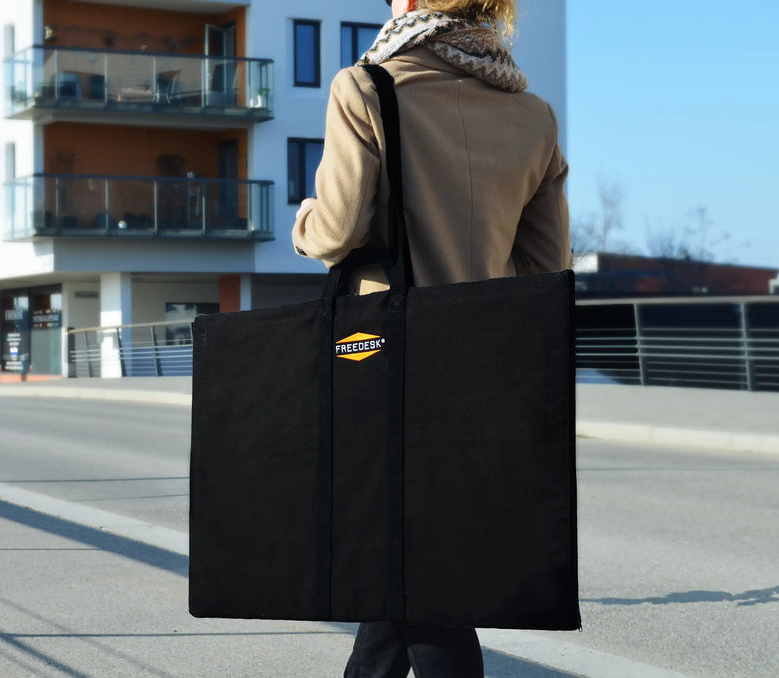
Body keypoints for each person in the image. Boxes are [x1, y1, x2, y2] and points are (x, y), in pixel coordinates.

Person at [291, 0, 571, 676]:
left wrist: (304, 220)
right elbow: (545, 270)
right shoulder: (532, 117)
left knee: (415, 589)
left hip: (385, 369)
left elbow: (339, 229)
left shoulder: (366, 87)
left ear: (411, 5)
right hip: (484, 374)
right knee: (416, 584)